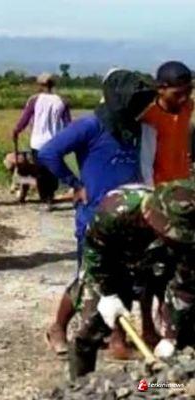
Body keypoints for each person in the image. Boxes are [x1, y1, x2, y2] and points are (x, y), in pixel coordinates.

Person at [38, 70, 156, 357]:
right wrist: (75, 184)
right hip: (94, 216)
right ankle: (58, 327)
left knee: (125, 277)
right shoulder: (91, 126)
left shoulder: (136, 129)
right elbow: (48, 152)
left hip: (128, 216)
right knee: (87, 278)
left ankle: (117, 339)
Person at [69, 180, 195, 379]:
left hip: (159, 264)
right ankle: (78, 385)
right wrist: (108, 293)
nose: (173, 238)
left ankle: (173, 384)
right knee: (88, 327)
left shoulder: (187, 236)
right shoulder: (116, 209)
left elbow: (184, 286)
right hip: (111, 265)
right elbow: (95, 250)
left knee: (184, 332)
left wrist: (171, 336)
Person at [13, 73, 72, 208]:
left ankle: (45, 199)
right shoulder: (62, 101)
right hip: (56, 142)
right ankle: (50, 197)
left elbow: (25, 119)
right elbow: (68, 124)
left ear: (40, 85)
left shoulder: (34, 100)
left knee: (41, 171)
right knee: (53, 170)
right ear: (53, 85)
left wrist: (16, 131)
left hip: (38, 142)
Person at [141, 61, 194, 186]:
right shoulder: (148, 117)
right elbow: (145, 162)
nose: (184, 98)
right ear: (161, 89)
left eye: (188, 92)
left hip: (183, 184)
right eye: (177, 94)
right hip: (160, 188)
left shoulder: (187, 107)